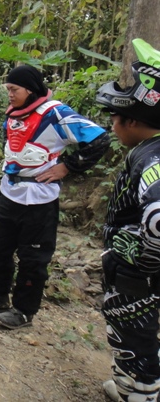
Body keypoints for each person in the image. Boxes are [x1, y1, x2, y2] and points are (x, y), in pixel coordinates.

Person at [0, 64, 110, 329]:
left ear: (30, 89)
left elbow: (99, 139)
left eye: (14, 89)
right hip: (10, 193)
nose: (9, 94)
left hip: (39, 199)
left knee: (33, 259)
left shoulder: (55, 114)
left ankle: (23, 312)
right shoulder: (14, 114)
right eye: (8, 89)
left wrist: (67, 166)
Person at [94, 38, 160, 402]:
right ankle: (131, 384)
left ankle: (139, 392)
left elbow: (157, 218)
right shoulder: (149, 152)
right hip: (144, 272)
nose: (113, 127)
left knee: (133, 336)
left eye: (115, 119)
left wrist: (140, 262)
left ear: (132, 121)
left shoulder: (151, 160)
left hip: (139, 276)